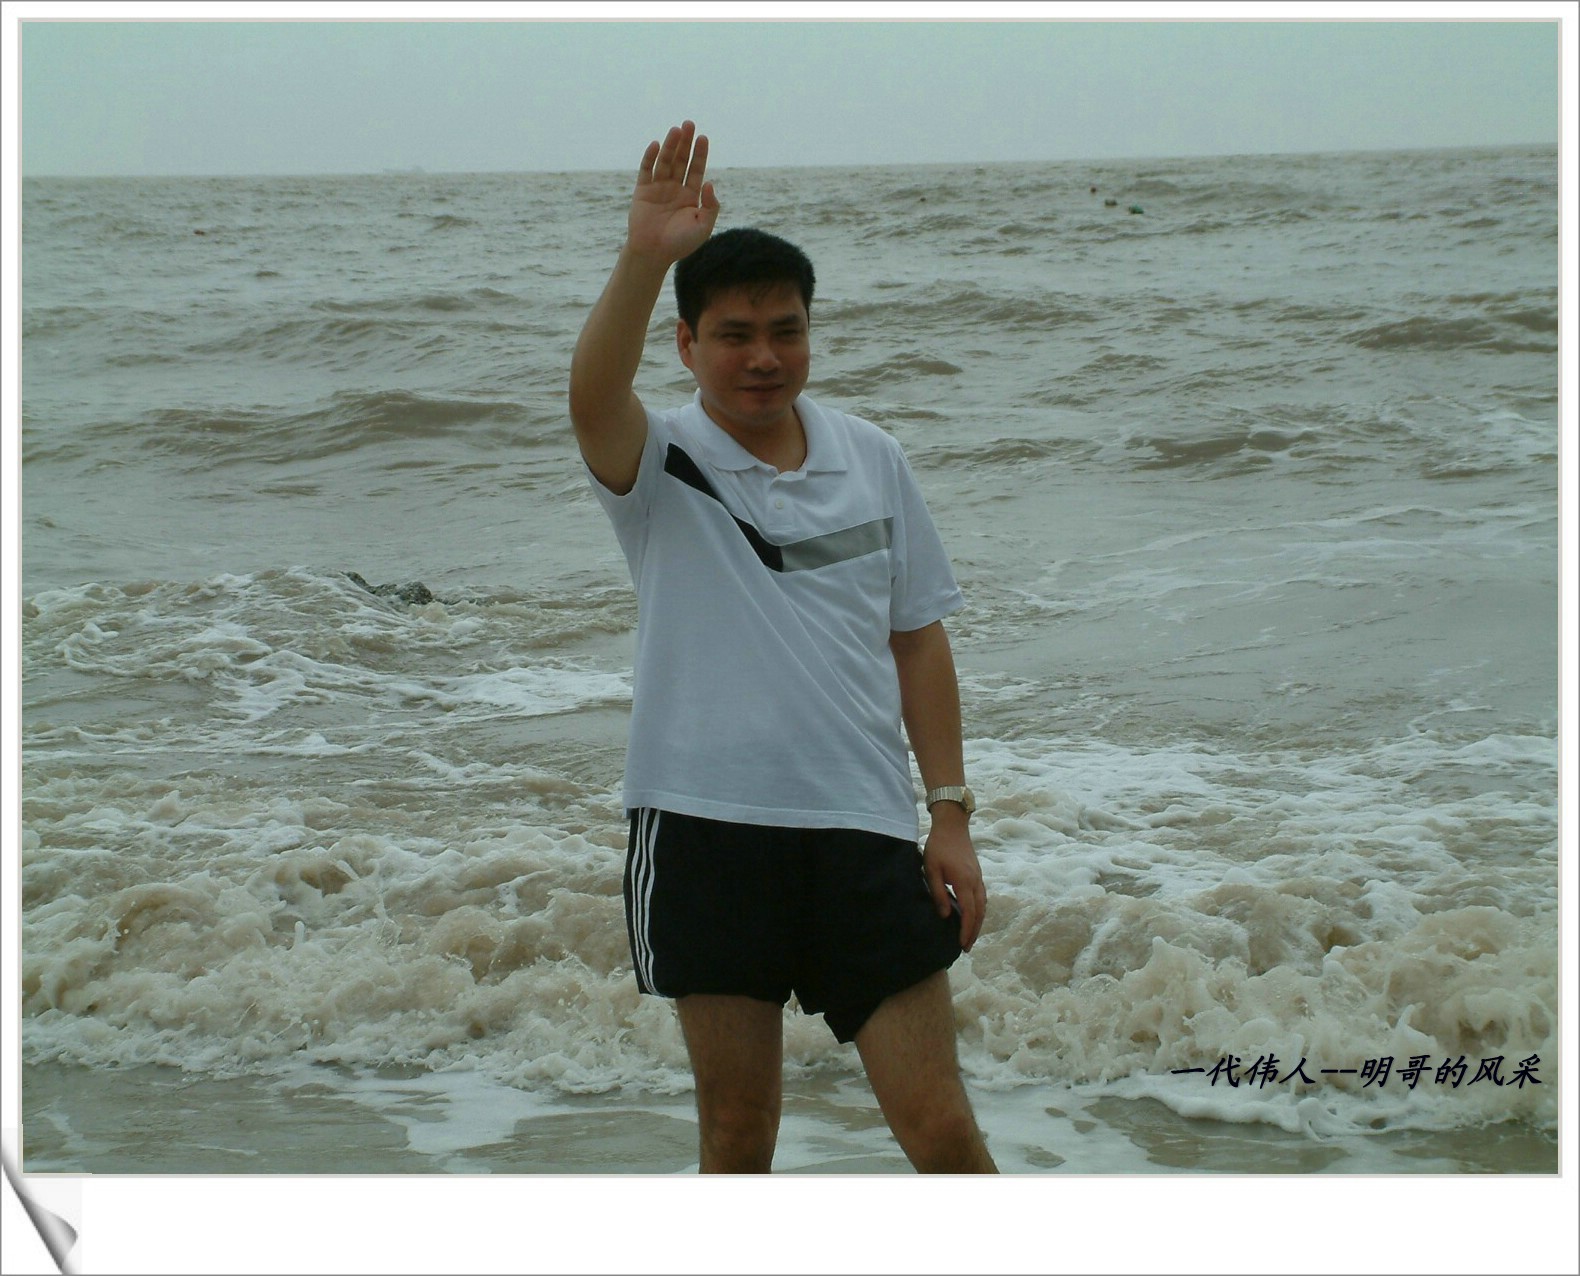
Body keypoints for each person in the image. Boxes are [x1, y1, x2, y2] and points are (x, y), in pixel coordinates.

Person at [568, 120, 996, 1174]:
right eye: (734, 334)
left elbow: (917, 638)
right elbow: (591, 395)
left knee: (941, 1128)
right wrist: (643, 257)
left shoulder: (872, 457)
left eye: (786, 331)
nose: (763, 357)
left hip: (860, 825)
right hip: (703, 827)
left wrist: (948, 813)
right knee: (737, 1134)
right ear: (685, 344)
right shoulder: (659, 460)